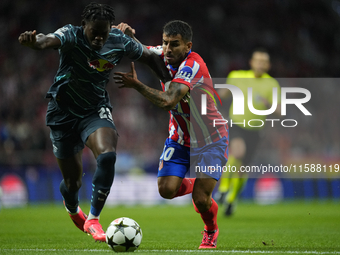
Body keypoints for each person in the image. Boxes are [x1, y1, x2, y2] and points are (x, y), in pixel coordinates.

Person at [18, 2, 170, 242]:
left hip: (94, 110)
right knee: (73, 181)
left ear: (111, 28)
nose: (99, 38)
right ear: (83, 26)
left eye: (104, 33)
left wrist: (167, 82)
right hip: (62, 113)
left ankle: (94, 218)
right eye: (94, 32)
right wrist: (34, 42)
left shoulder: (119, 39)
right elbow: (47, 40)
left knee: (107, 155)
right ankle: (72, 207)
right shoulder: (70, 34)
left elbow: (149, 56)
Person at [114, 20, 229, 249]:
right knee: (166, 190)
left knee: (201, 201)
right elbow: (145, 53)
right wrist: (125, 36)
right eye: (165, 43)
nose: (167, 49)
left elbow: (168, 100)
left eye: (174, 45)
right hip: (180, 139)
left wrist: (136, 85)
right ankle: (199, 187)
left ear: (188, 46)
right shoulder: (163, 53)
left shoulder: (193, 65)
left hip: (211, 140)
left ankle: (210, 230)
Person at [214, 48, 281, 216]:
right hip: (236, 124)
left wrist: (267, 104)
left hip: (256, 130)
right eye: (258, 60)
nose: (260, 64)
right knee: (237, 152)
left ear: (268, 65)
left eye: (264, 61)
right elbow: (224, 93)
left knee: (242, 169)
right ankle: (222, 190)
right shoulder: (237, 76)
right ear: (251, 62)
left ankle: (231, 199)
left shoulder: (272, 84)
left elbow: (280, 111)